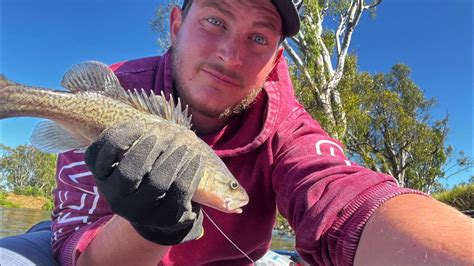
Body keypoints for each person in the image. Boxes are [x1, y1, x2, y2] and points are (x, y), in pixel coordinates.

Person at [5, 0, 471, 265]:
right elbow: (78, 256)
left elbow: (345, 198)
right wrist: (148, 226)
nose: (230, 55)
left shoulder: (288, 126)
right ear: (175, 23)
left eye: (258, 37)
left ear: (276, 58)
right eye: (215, 20)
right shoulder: (111, 94)